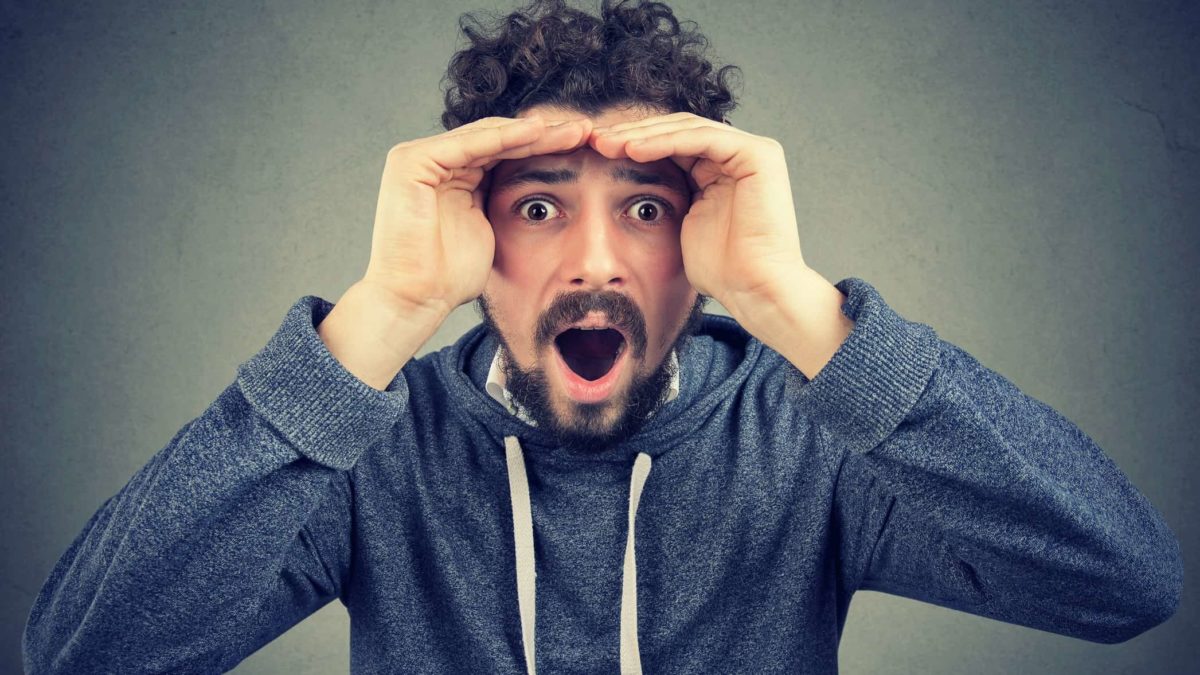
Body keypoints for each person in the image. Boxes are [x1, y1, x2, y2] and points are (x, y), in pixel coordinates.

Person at [22, 0, 1182, 673]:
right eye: (538, 208)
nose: (592, 262)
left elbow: (1122, 582)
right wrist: (375, 319)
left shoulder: (809, 436)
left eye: (645, 211)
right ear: (476, 239)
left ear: (706, 244)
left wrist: (796, 305)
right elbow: (84, 657)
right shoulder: (373, 444)